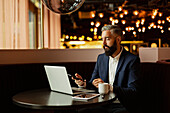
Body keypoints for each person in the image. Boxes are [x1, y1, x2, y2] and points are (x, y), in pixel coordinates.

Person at [72, 25, 142, 113]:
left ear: (118, 40)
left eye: (108, 39)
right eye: (102, 39)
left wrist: (109, 87)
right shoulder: (101, 58)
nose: (104, 43)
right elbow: (93, 82)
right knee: (81, 110)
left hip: (120, 104)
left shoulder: (132, 60)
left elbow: (133, 91)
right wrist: (83, 84)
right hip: (101, 103)